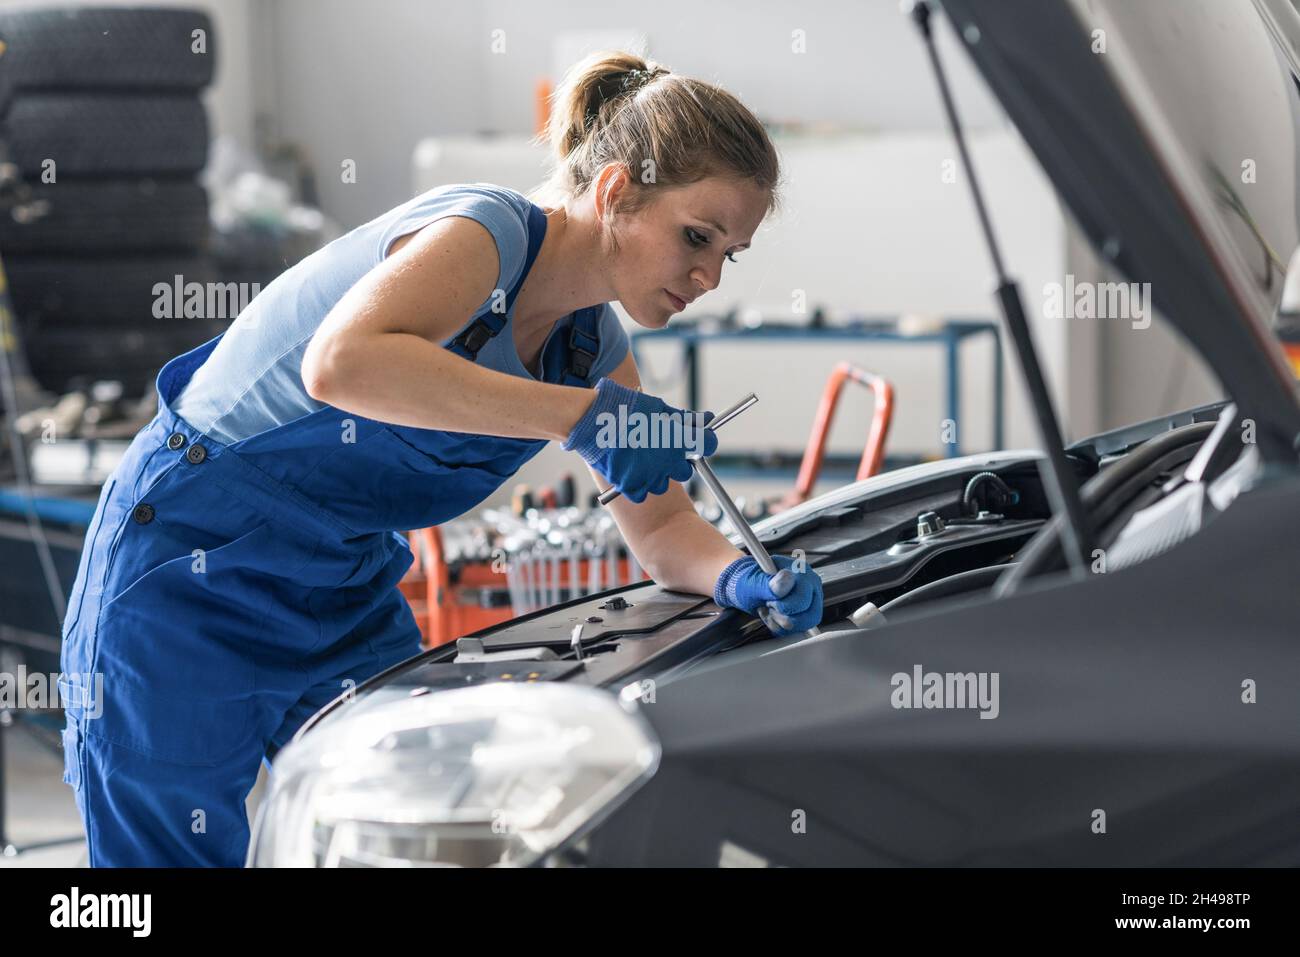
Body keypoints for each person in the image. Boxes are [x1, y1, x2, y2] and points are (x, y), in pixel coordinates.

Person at [58, 50, 823, 867]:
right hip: (184, 568)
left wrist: (740, 573)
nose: (707, 275)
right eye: (696, 236)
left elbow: (665, 526)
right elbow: (343, 363)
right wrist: (584, 419)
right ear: (615, 193)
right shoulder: (485, 234)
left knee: (425, 833)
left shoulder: (589, 344)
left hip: (338, 589)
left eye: (728, 254)